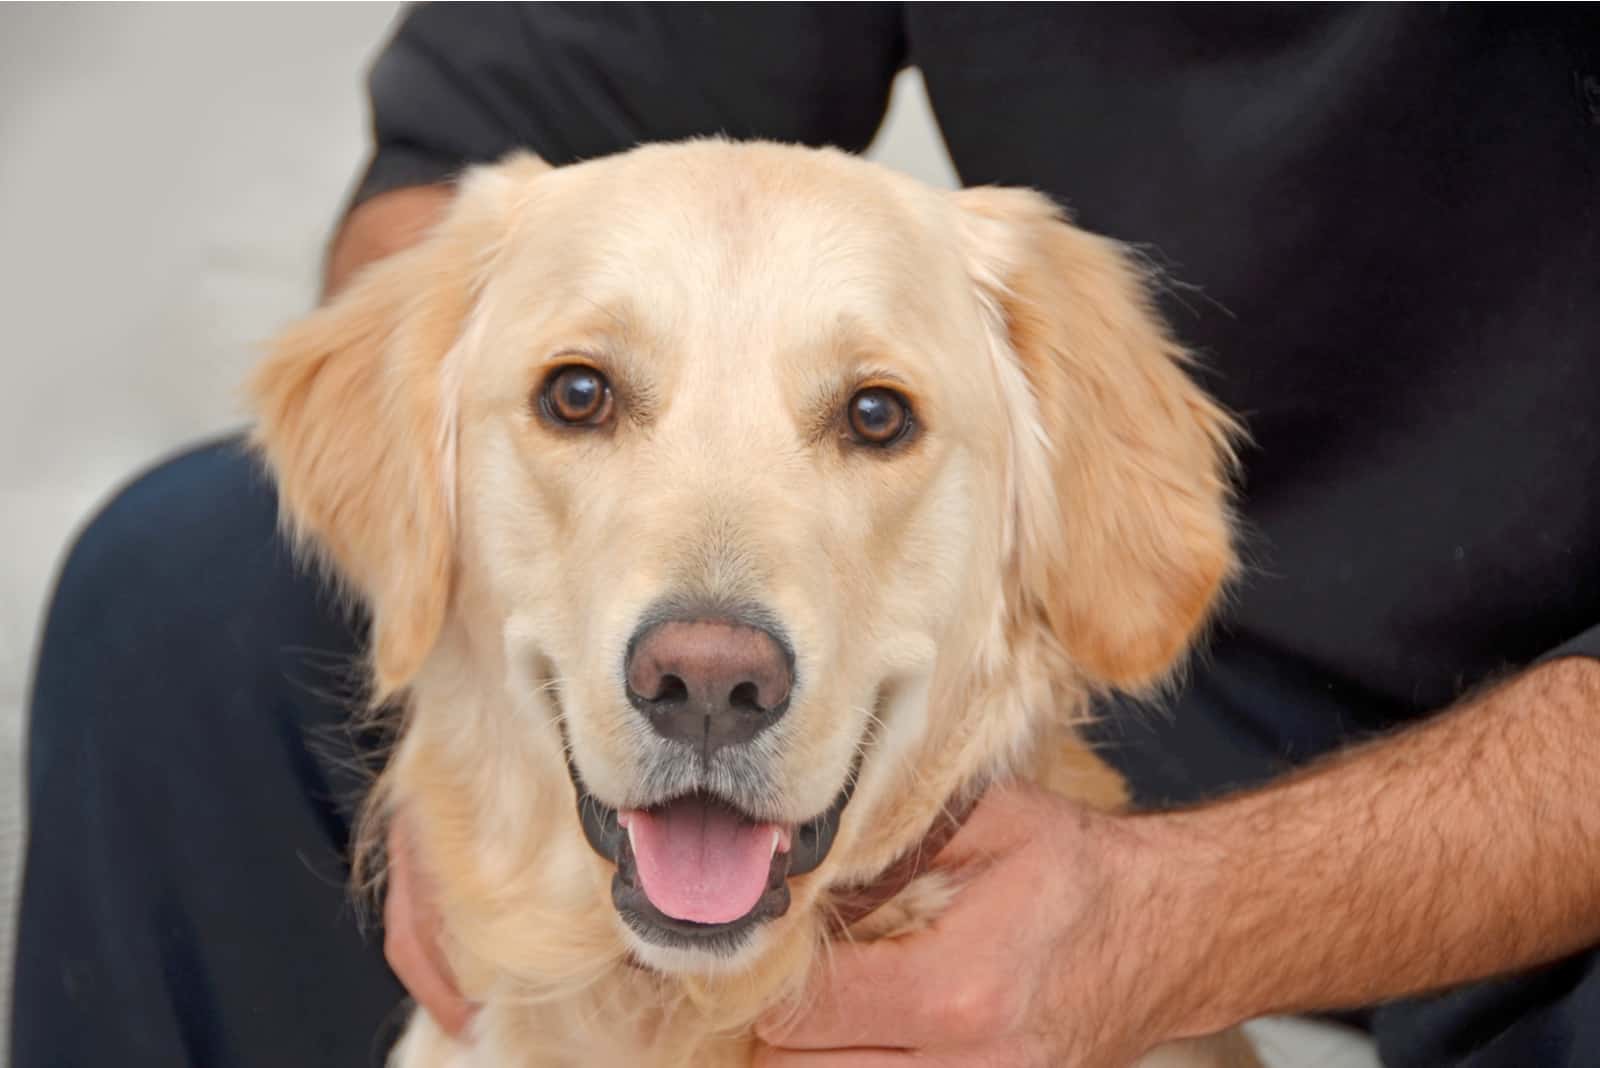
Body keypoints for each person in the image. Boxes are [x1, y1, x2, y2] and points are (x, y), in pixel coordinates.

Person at [13, 6, 1600, 1066]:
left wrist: (1176, 924)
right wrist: (484, 708)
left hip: (1547, 751)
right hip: (1104, 649)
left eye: (872, 413)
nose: (704, 654)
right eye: (585, 396)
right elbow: (480, 142)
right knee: (179, 596)